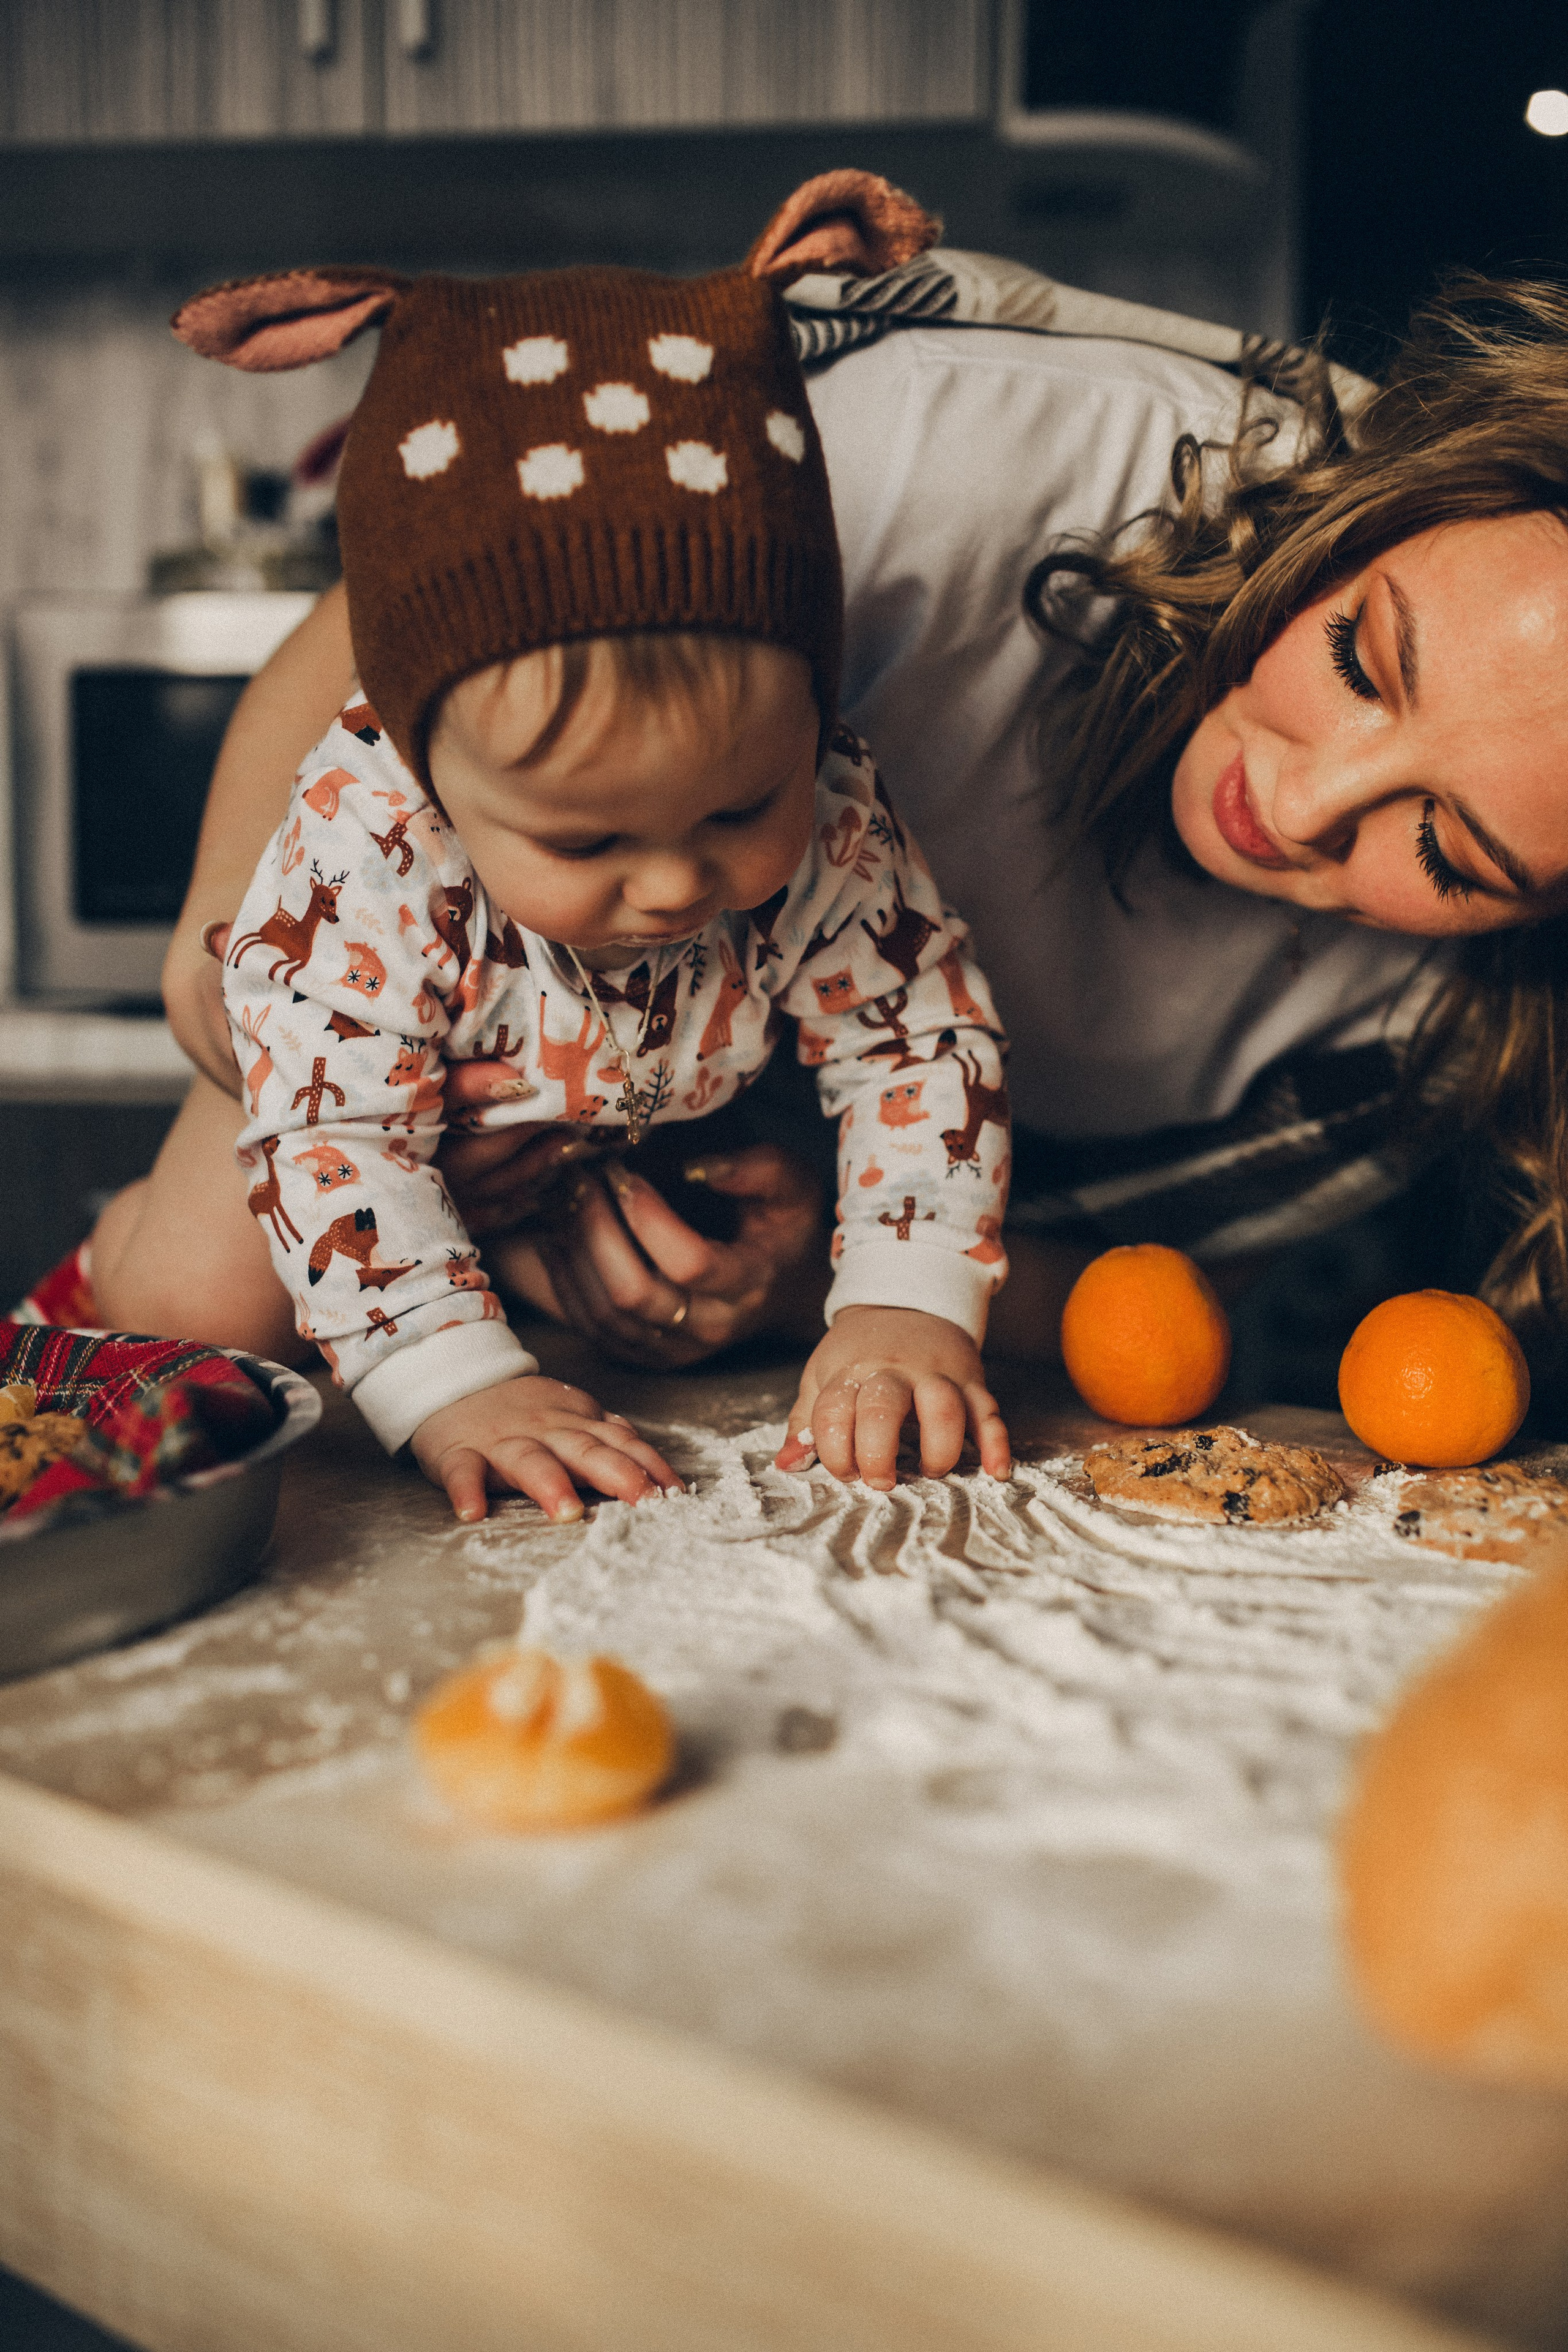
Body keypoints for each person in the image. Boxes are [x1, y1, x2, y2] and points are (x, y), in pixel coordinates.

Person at [86, 172, 1568, 1399]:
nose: (1306, 805)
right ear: (1388, 502)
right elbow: (419, 603)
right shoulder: (969, 445)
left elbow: (1155, 1304)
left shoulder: (1433, 1042)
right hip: (418, 1063)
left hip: (735, 1254)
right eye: (1360, 663)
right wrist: (229, 936)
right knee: (191, 1320)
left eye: (1446, 849)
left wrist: (819, 1274)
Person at [91, 254, 1012, 1520]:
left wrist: (905, 1305)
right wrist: (455, 1385)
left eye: (739, 810)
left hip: (619, 1106)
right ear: (430, 778)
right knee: (193, 1320)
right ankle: (130, 1227)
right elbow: (342, 1137)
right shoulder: (370, 849)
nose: (677, 883)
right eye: (587, 845)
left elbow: (916, 1036)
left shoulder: (834, 807)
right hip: (358, 1084)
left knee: (672, 1283)